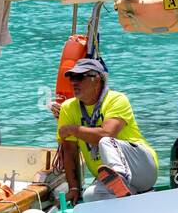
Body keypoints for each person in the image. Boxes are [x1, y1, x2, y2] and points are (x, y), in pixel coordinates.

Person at [56, 57, 158, 202]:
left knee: (105, 141)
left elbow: (107, 133)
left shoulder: (117, 99)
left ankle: (119, 177)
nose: (74, 82)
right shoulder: (68, 108)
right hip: (110, 182)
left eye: (80, 77)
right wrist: (74, 188)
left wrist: (73, 129)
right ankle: (132, 195)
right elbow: (69, 152)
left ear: (96, 80)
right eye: (72, 77)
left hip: (142, 169)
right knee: (89, 196)